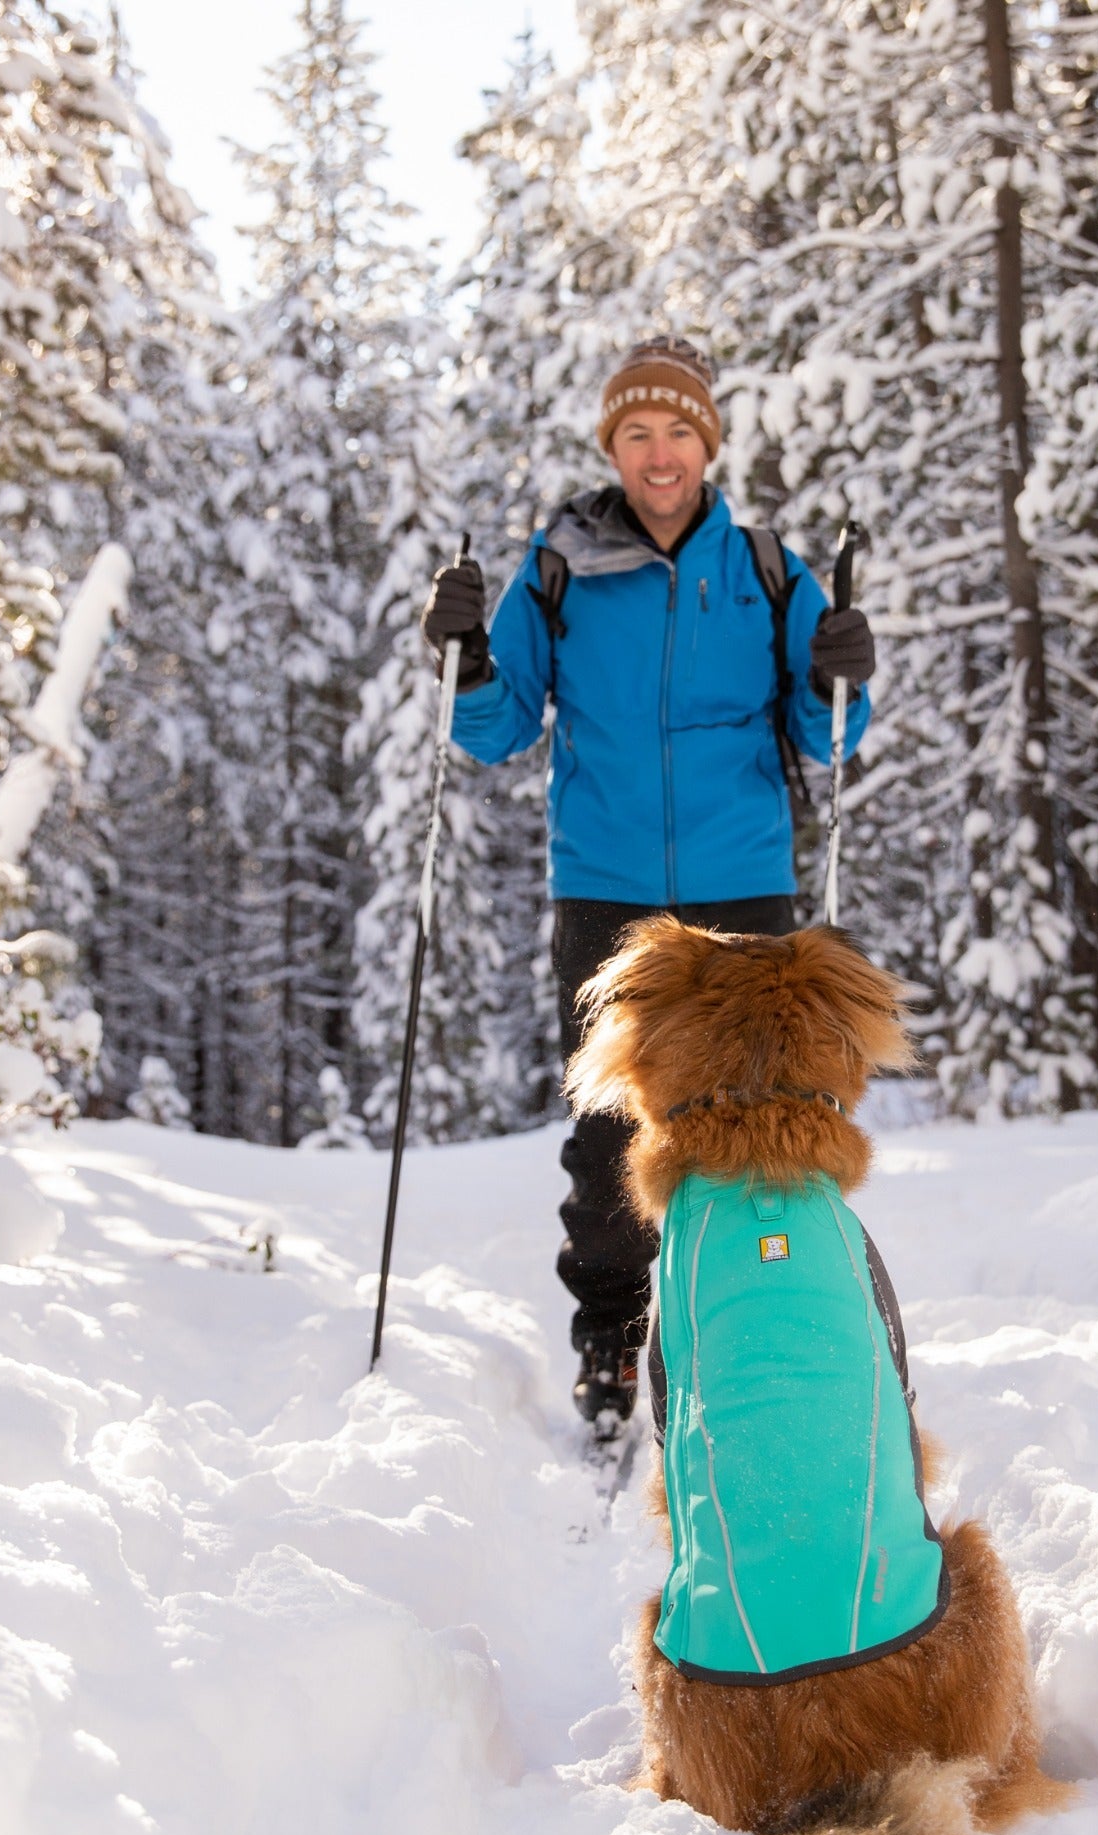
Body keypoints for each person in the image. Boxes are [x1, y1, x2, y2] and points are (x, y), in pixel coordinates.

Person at [420, 335, 878, 1435]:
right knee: (614, 1132)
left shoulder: (766, 569)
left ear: (706, 444)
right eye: (637, 433)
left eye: (677, 431)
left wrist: (841, 669)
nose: (658, 453)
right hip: (607, 891)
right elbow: (490, 732)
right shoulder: (560, 565)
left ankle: (749, 1314)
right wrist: (469, 661)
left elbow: (830, 734)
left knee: (764, 1118)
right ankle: (614, 1337)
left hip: (744, 890)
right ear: (612, 446)